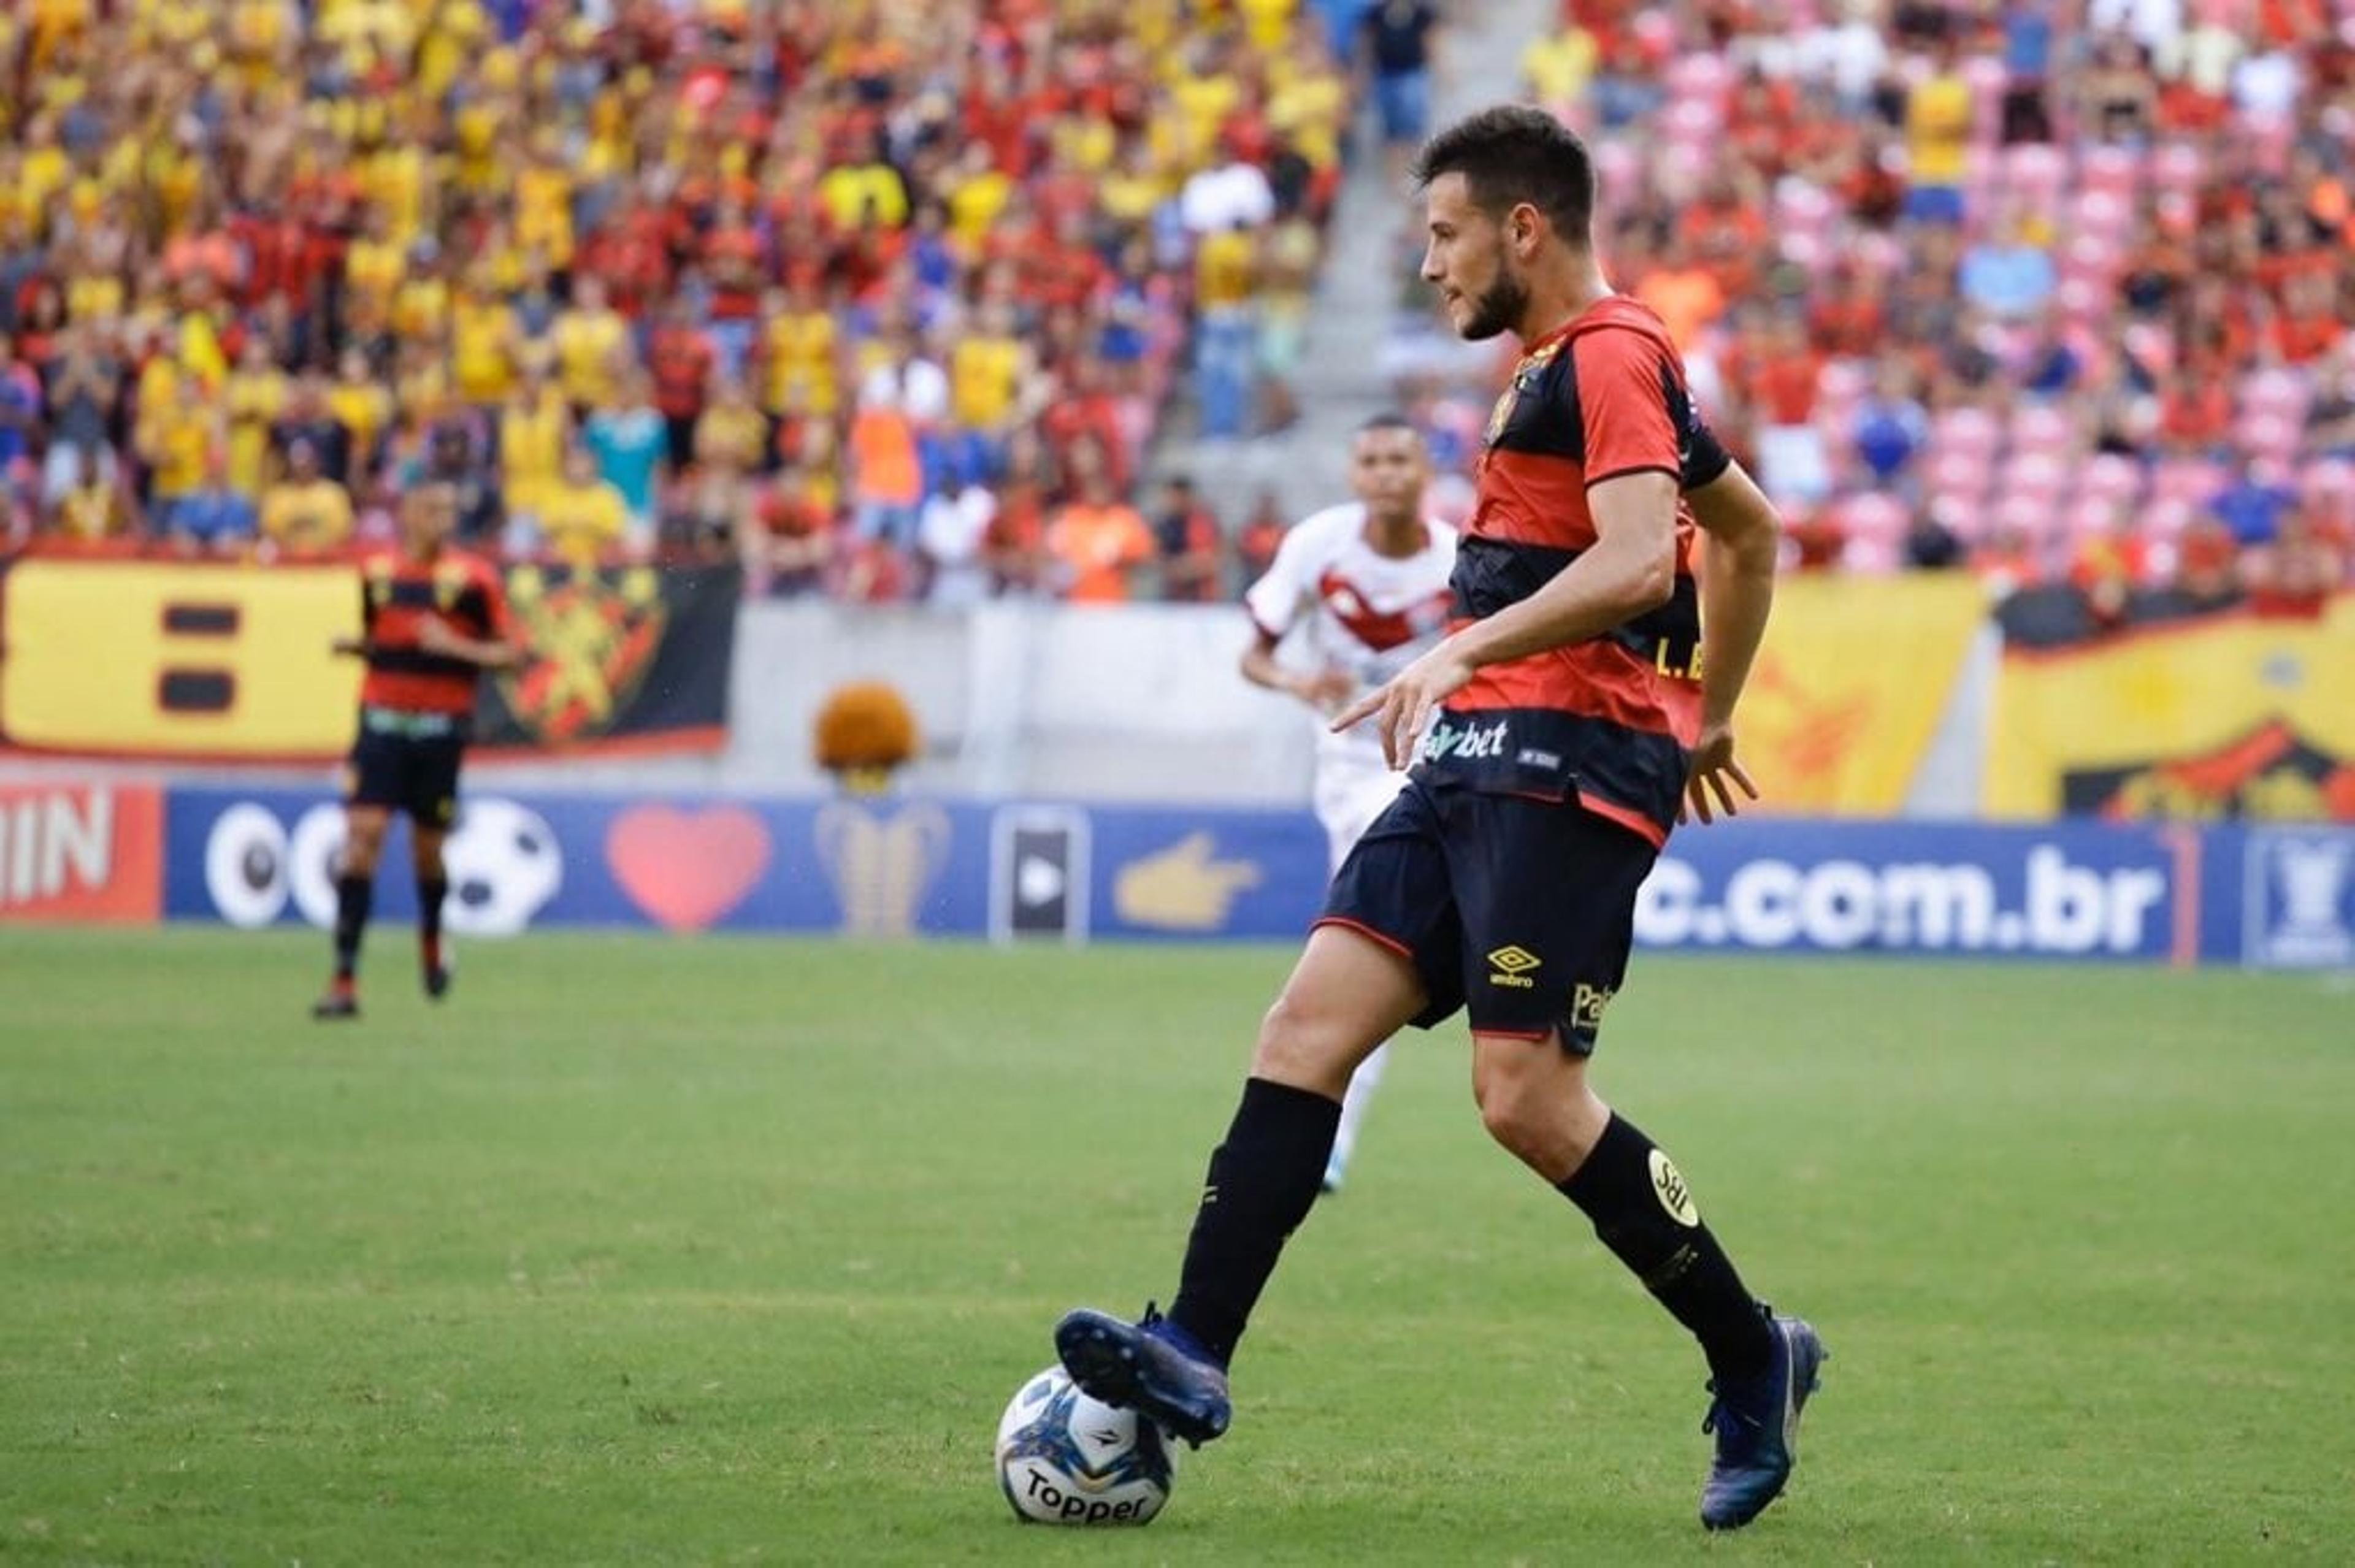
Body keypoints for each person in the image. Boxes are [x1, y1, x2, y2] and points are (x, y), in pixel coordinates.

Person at [1052, 106, 1820, 1533]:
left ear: (1522, 228)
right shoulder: (1569, 364)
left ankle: (1750, 1348)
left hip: (1570, 767)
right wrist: (1707, 710)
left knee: (1522, 1101)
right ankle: (1192, 1347)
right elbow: (1752, 533)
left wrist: (1469, 653)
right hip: (1472, 760)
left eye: (1445, 234)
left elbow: (1640, 549)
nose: (1425, 266)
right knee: (1302, 1033)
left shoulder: (1604, 352)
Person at [1239, 414, 1457, 1192]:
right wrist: (1300, 682)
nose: (1386, 473)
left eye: (1400, 458)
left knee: (1376, 941)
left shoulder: (1456, 560)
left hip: (1430, 763)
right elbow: (1253, 655)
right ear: (1354, 473)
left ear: (1424, 470)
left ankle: (1326, 1132)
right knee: (1375, 948)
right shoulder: (1318, 544)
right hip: (1346, 764)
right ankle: (1327, 1125)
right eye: (1371, 460)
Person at [315, 483, 522, 1020]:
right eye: (433, 508)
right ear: (406, 515)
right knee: (363, 839)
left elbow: (515, 653)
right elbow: (380, 639)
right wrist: (356, 647)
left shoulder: (475, 579)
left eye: (450, 509)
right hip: (380, 724)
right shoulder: (378, 574)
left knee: (427, 852)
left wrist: (456, 647)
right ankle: (343, 978)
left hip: (440, 731)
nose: (444, 518)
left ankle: (431, 941)